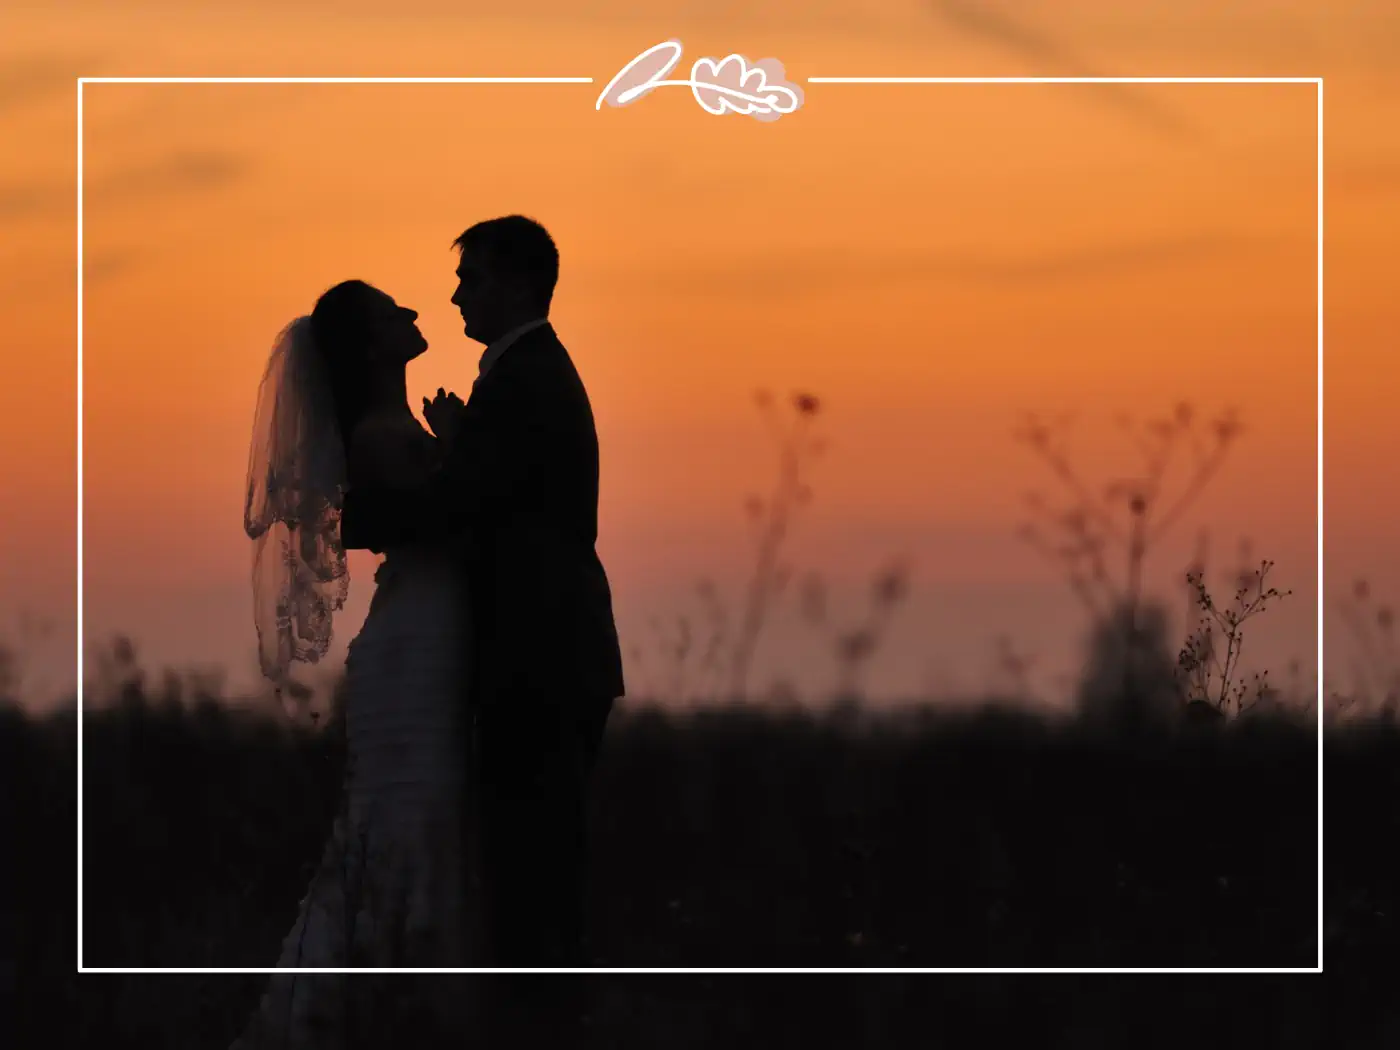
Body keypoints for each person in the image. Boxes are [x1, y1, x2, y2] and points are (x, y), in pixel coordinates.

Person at [340, 215, 625, 1029]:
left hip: (538, 665)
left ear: (514, 283)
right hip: (542, 659)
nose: (457, 293)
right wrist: (464, 444)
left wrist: (344, 519)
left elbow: (463, 504)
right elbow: (497, 492)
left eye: (471, 278)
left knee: (534, 879)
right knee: (529, 871)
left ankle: (540, 1026)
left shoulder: (528, 379)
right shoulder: (521, 377)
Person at [232, 279, 476, 1047]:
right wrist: (463, 453)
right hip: (418, 644)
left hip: (427, 633)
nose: (412, 313)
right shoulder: (379, 436)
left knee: (412, 819)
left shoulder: (398, 426)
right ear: (373, 344)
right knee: (406, 816)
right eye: (390, 311)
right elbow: (448, 526)